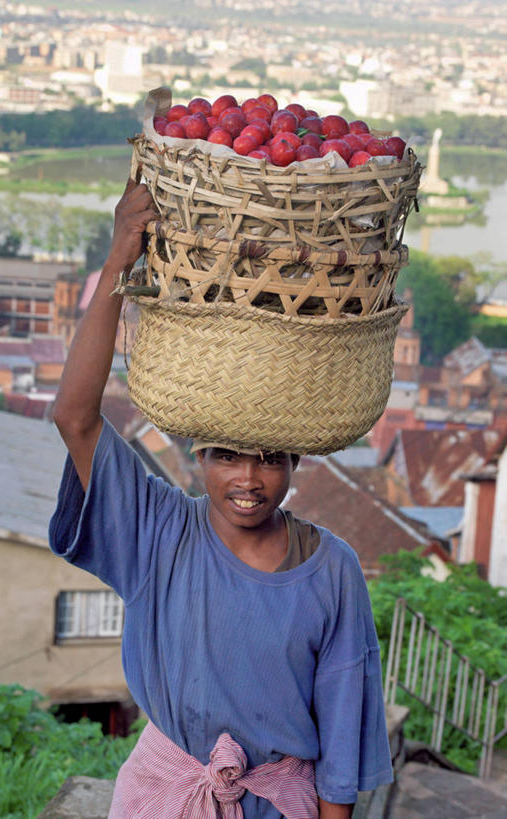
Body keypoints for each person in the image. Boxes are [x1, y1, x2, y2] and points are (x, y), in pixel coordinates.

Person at [49, 178, 394, 818]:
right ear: (198, 456)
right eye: (227, 456)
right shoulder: (158, 531)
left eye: (269, 459)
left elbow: (342, 740)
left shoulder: (334, 571)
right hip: (165, 795)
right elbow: (76, 417)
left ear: (295, 459)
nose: (249, 480)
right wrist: (120, 254)